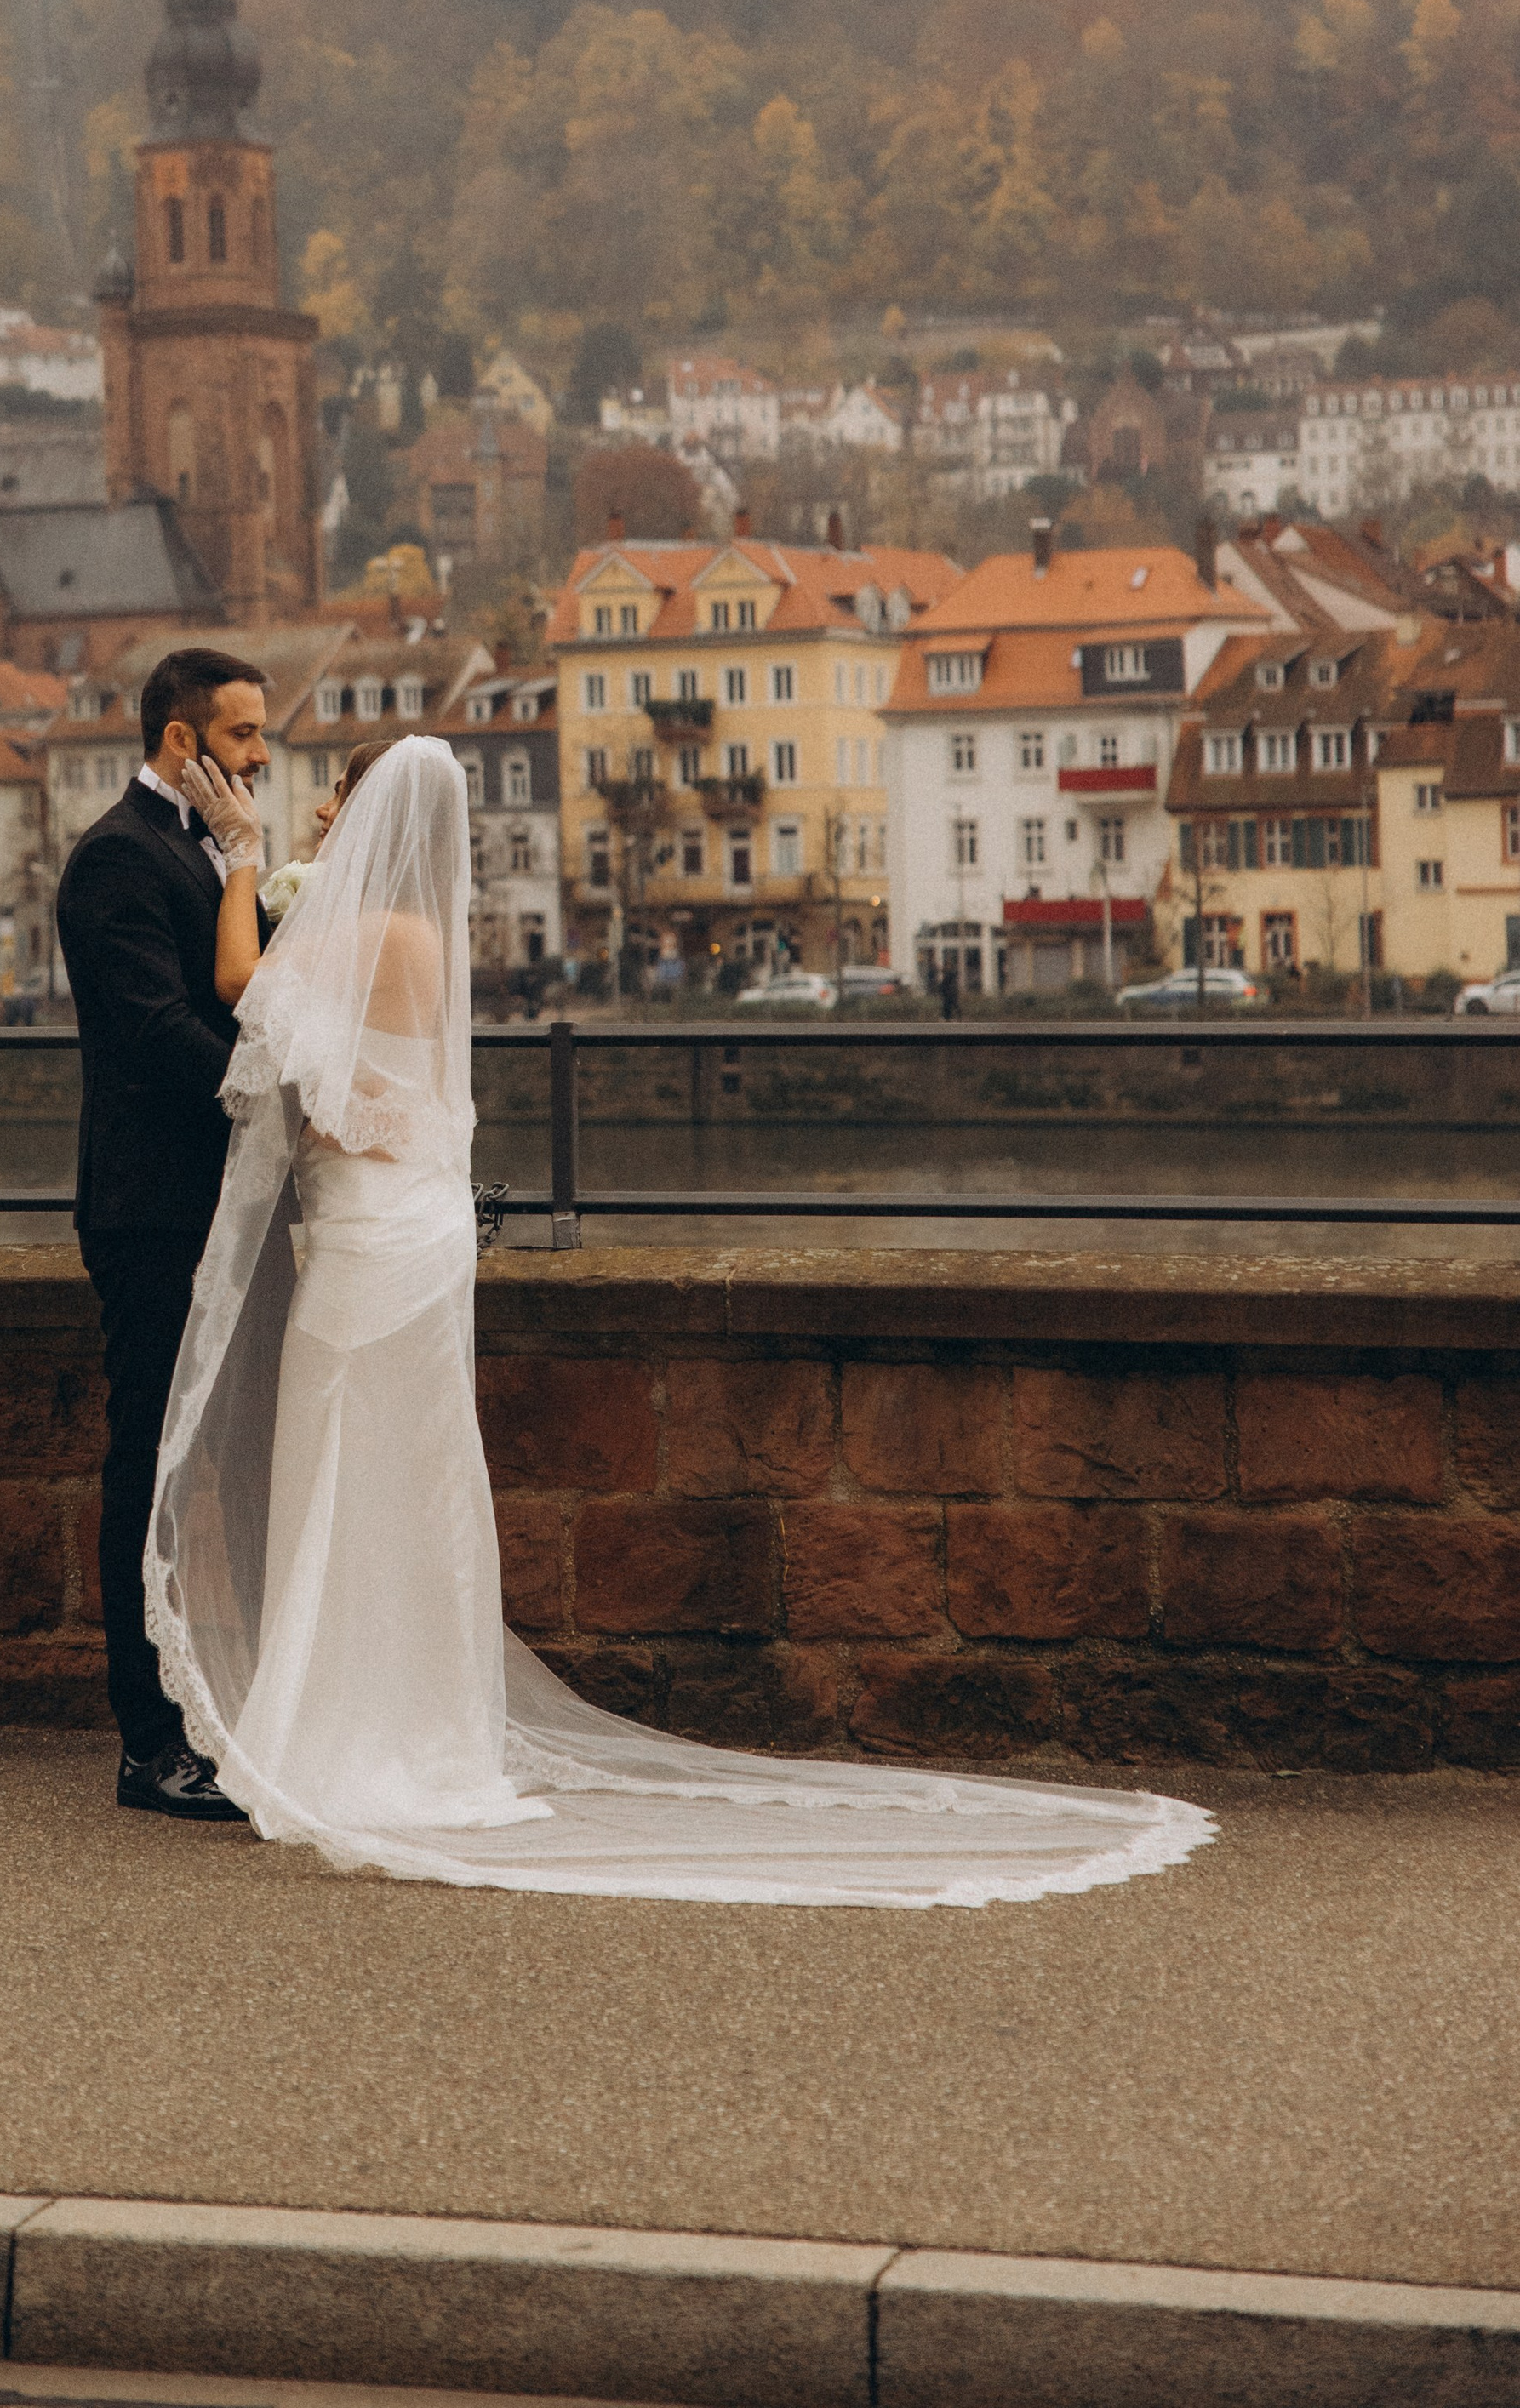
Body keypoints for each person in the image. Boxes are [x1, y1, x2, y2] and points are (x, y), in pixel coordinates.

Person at [148, 733, 1216, 1907]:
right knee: (398, 1482)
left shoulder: (372, 933)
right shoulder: (423, 935)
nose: (322, 825)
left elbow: (251, 992)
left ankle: (350, 1733)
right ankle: (393, 1718)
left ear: (372, 822)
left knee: (350, 1476)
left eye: (338, 808)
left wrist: (247, 862)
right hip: (410, 1231)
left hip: (367, 1244)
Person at [56, 643, 274, 1820]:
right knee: (145, 1468)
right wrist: (280, 1089)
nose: (259, 757)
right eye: (242, 738)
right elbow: (153, 1032)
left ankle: (209, 1704)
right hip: (151, 1211)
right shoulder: (114, 859)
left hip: (216, 1202)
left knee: (209, 1470)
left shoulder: (209, 849)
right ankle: (148, 1744)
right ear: (181, 742)